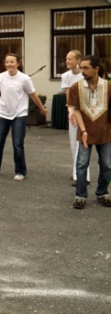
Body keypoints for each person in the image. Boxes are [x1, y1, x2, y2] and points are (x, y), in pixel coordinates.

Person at [0, 53, 48, 181]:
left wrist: (42, 108)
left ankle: (20, 171)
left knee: (18, 144)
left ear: (18, 63)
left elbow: (33, 95)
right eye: (7, 62)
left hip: (19, 114)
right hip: (3, 113)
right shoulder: (1, 77)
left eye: (12, 62)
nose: (9, 64)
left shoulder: (24, 79)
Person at [66, 55, 111, 209]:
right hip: (85, 132)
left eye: (86, 68)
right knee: (81, 164)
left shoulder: (108, 86)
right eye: (81, 68)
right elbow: (76, 110)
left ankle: (102, 193)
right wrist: (83, 130)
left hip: (105, 132)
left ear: (96, 69)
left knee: (107, 165)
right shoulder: (76, 87)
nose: (82, 71)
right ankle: (80, 195)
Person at [61, 50, 90, 186]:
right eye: (66, 59)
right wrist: (70, 111)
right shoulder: (65, 76)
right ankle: (77, 173)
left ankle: (83, 176)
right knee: (74, 143)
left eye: (70, 59)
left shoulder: (85, 75)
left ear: (78, 60)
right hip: (73, 112)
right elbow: (69, 96)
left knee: (83, 143)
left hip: (86, 112)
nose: (67, 61)